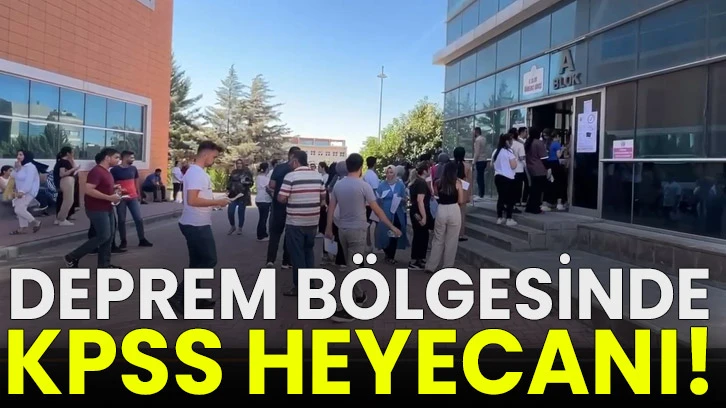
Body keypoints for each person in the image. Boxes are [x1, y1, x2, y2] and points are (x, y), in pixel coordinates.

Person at [325, 153, 400, 323]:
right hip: (358, 231)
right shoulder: (364, 186)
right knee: (352, 268)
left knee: (351, 266)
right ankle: (345, 307)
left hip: (342, 230)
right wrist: (392, 226)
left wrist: (329, 227)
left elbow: (331, 207)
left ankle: (359, 296)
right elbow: (377, 210)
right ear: (360, 168)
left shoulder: (338, 185)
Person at [169, 141, 231, 314]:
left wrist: (216, 200)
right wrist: (216, 202)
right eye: (214, 156)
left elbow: (198, 197)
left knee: (197, 262)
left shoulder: (196, 172)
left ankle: (193, 298)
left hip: (195, 223)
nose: (214, 160)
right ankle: (178, 295)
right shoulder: (196, 173)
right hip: (196, 225)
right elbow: (192, 200)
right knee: (209, 260)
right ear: (206, 154)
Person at [277, 150, 326, 297]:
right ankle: (311, 283)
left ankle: (300, 286)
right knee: (308, 252)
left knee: (297, 255)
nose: (289, 164)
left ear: (295, 161)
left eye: (291, 161)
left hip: (295, 222)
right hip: (312, 221)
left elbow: (281, 198)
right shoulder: (317, 176)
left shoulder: (290, 176)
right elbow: (323, 196)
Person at [63, 148, 122, 268]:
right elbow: (89, 190)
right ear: (107, 158)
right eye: (116, 157)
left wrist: (114, 188)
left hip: (107, 208)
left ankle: (104, 265)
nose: (118, 160)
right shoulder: (97, 171)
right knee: (103, 236)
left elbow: (101, 187)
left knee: (109, 237)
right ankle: (72, 256)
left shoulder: (107, 172)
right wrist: (109, 197)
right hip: (97, 209)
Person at [424, 161, 465, 273]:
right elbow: (461, 200)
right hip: (454, 208)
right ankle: (447, 266)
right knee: (452, 239)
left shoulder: (438, 182)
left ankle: (431, 265)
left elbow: (436, 194)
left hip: (441, 209)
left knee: (438, 238)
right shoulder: (458, 182)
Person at [265, 146, 300, 268]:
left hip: (278, 204)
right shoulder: (298, 171)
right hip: (292, 205)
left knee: (275, 233)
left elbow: (271, 185)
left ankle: (270, 260)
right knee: (289, 234)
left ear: (289, 155)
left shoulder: (279, 168)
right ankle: (286, 261)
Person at [111, 151, 153, 249]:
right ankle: (123, 240)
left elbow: (136, 181)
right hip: (121, 198)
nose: (133, 159)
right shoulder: (114, 170)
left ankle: (142, 239)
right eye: (131, 157)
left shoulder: (133, 169)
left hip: (133, 197)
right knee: (121, 220)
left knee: (138, 218)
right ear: (125, 158)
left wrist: (139, 194)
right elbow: (111, 183)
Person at [375, 165, 409, 264]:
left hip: (397, 212)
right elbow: (377, 198)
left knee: (394, 234)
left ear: (395, 173)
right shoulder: (382, 184)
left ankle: (391, 256)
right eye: (387, 172)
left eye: (391, 172)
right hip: (385, 211)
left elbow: (405, 198)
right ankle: (386, 252)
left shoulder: (400, 185)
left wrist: (401, 199)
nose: (389, 175)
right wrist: (380, 199)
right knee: (384, 233)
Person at [10, 150, 42, 235]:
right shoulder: (20, 166)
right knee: (20, 208)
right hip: (20, 191)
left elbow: (29, 181)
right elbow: (12, 176)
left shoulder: (31, 167)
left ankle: (36, 222)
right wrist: (16, 168)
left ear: (26, 156)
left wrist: (23, 191)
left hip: (29, 191)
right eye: (18, 154)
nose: (18, 156)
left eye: (21, 155)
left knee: (18, 209)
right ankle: (23, 228)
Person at [408, 162, 433, 270]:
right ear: (425, 171)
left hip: (416, 211)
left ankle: (419, 258)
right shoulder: (421, 182)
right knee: (420, 235)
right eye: (429, 169)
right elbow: (420, 200)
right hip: (419, 211)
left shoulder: (416, 181)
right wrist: (424, 216)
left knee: (421, 235)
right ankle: (416, 260)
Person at [492, 134, 518, 226]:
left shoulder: (496, 151)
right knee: (510, 199)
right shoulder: (509, 152)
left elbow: (492, 164)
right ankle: (509, 218)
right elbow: (513, 166)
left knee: (501, 198)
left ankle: (499, 217)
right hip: (508, 177)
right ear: (507, 141)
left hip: (498, 176)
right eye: (511, 140)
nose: (512, 142)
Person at [53, 146, 80, 226]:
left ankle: (59, 218)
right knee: (68, 201)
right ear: (68, 153)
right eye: (72, 152)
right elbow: (62, 174)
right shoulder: (64, 162)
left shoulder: (62, 161)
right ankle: (62, 219)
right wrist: (73, 169)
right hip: (66, 182)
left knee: (66, 200)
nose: (73, 154)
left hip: (65, 182)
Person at [524, 127, 548, 214]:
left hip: (530, 167)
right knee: (538, 190)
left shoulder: (527, 142)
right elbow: (544, 158)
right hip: (539, 169)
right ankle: (535, 208)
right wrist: (548, 168)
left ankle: (529, 207)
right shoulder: (538, 143)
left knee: (533, 189)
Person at [226, 158, 253, 235]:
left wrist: (244, 182)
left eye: (240, 163)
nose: (239, 165)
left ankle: (240, 227)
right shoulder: (234, 172)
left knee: (241, 212)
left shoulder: (247, 172)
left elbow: (251, 183)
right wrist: (228, 189)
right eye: (237, 163)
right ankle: (232, 226)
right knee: (230, 211)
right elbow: (230, 181)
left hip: (242, 194)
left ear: (243, 164)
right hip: (233, 194)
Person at [452, 146, 472, 242]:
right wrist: (469, 195)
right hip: (463, 192)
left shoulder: (451, 165)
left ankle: (452, 233)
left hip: (452, 191)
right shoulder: (467, 166)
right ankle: (460, 234)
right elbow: (470, 181)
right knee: (461, 214)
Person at [363, 156, 379, 251]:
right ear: (374, 164)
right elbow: (375, 189)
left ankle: (368, 244)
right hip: (372, 202)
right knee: (377, 223)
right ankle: (375, 244)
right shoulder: (373, 175)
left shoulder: (365, 174)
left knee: (368, 224)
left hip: (366, 202)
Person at [255, 162, 272, 241]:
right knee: (263, 218)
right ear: (267, 169)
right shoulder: (265, 179)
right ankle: (260, 235)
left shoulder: (258, 177)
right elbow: (268, 188)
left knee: (262, 217)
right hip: (264, 200)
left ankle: (263, 233)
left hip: (259, 199)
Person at [472, 127, 489, 201]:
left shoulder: (478, 140)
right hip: (484, 159)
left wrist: (474, 161)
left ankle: (480, 194)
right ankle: (482, 193)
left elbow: (477, 152)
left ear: (476, 132)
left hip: (479, 160)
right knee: (481, 177)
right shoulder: (484, 139)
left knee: (479, 178)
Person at [515, 127, 529, 206]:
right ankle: (522, 200)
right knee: (524, 183)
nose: (527, 133)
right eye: (526, 132)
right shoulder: (520, 142)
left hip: (520, 166)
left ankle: (520, 200)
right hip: (521, 165)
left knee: (521, 183)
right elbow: (522, 156)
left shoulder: (521, 141)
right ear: (522, 132)